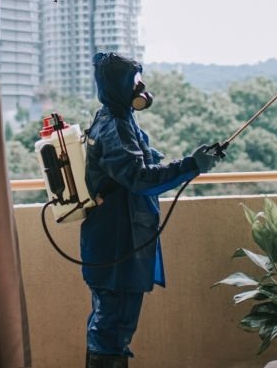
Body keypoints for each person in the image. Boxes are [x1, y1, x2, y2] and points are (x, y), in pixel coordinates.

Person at [81, 52, 225, 368]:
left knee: (108, 325)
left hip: (113, 239)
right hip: (118, 242)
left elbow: (130, 168)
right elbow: (139, 179)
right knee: (113, 327)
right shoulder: (115, 126)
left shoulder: (114, 118)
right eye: (134, 80)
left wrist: (162, 159)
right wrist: (190, 165)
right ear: (119, 85)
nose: (141, 87)